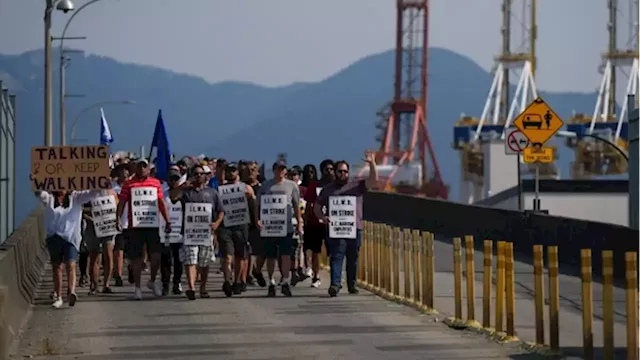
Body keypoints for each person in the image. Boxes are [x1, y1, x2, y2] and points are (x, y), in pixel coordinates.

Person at [315, 150, 378, 297]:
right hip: (336, 229)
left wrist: (372, 163)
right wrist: (323, 217)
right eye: (340, 171)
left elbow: (374, 181)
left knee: (353, 257)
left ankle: (352, 284)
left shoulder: (357, 185)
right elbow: (317, 207)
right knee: (336, 256)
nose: (343, 174)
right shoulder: (327, 189)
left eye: (345, 171)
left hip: (355, 227)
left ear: (348, 172)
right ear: (335, 172)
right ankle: (335, 285)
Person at [33, 186, 102, 308]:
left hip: (70, 238)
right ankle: (59, 296)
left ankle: (71, 292)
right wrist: (35, 180)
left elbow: (93, 193)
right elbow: (39, 193)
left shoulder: (76, 198)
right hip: (54, 237)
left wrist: (101, 182)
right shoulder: (50, 199)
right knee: (57, 267)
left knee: (71, 265)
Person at [116, 158, 171, 300]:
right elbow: (121, 203)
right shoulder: (128, 184)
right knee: (137, 258)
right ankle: (138, 288)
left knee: (155, 256)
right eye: (139, 166)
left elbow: (161, 202)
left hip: (152, 225)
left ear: (148, 168)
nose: (142, 169)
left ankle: (152, 281)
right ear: (136, 168)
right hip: (135, 226)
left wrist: (168, 220)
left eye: (144, 166)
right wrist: (118, 219)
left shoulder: (155, 183)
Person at [256, 161, 303, 297]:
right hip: (269, 226)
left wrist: (299, 223)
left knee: (286, 255)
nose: (281, 171)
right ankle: (271, 281)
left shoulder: (292, 186)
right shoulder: (266, 185)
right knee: (271, 256)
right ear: (274, 170)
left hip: (286, 226)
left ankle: (285, 282)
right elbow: (258, 204)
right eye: (279, 169)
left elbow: (296, 206)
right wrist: (257, 219)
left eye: (283, 169)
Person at [179, 164, 224, 300]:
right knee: (190, 259)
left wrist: (216, 223)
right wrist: (182, 186)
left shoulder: (212, 192)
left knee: (204, 262)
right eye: (196, 174)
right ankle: (191, 288)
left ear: (205, 176)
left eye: (200, 173)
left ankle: (203, 287)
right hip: (189, 233)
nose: (198, 176)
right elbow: (173, 197)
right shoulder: (186, 193)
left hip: (206, 233)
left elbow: (221, 211)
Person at [217, 162, 257, 296]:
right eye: (228, 171)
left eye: (233, 171)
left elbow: (254, 205)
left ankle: (237, 281)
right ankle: (227, 281)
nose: (230, 173)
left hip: (241, 225)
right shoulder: (221, 189)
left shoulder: (246, 188)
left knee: (241, 256)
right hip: (226, 226)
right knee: (228, 256)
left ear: (237, 173)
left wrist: (250, 197)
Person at [303, 159, 335, 287]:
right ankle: (316, 277)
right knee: (315, 252)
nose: (329, 172)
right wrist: (306, 220)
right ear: (322, 171)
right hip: (315, 224)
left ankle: (335, 277)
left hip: (332, 224)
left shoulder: (336, 186)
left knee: (333, 252)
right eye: (327, 169)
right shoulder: (314, 186)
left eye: (331, 169)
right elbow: (309, 204)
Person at [82, 187, 119, 294]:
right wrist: (90, 216)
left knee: (108, 254)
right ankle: (94, 285)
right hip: (92, 227)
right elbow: (80, 208)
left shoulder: (112, 192)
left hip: (108, 227)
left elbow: (118, 206)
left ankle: (106, 284)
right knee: (94, 256)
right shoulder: (88, 193)